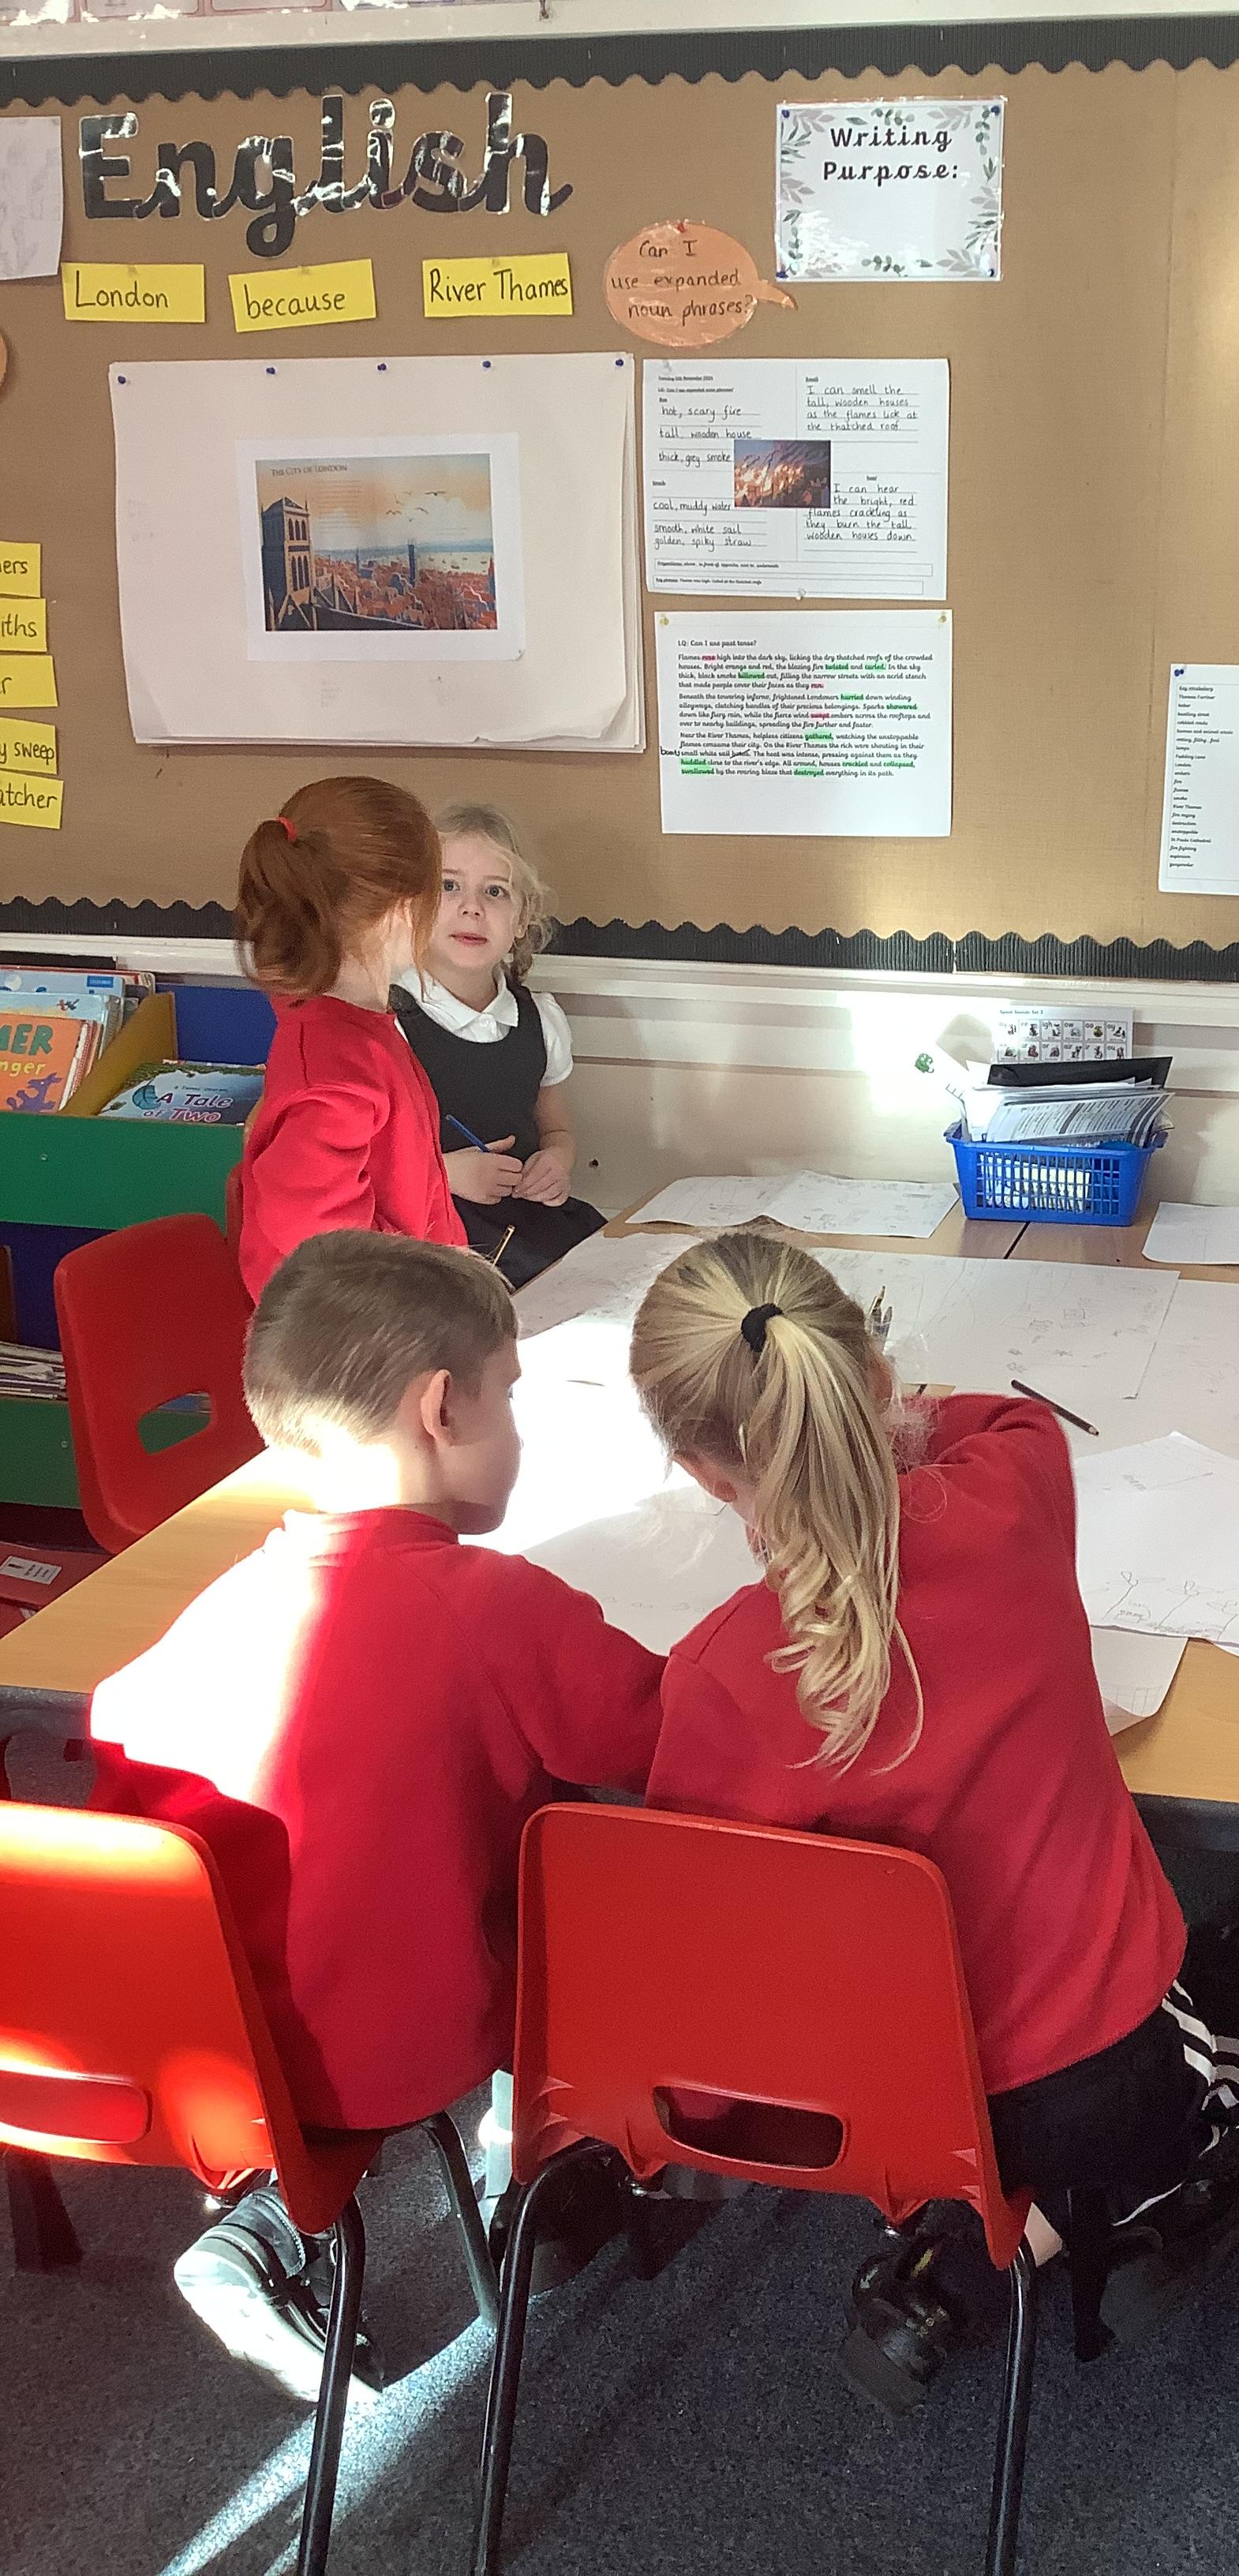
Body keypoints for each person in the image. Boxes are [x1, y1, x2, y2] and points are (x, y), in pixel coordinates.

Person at [628, 1230, 1239, 2409]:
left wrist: (710, 2122)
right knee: (1236, 2067)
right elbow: (1009, 1415)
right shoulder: (1015, 1488)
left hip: (888, 2105)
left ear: (705, 1476)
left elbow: (710, 1947)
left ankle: (981, 2243)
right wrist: (872, 1407)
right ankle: (1094, 2219)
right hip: (1094, 2068)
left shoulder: (719, 1674)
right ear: (875, 1381)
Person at [88, 1231, 665, 2401]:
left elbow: (116, 1849)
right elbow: (659, 1742)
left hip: (218, 2065)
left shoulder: (192, 1637)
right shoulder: (498, 1607)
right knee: (601, 1867)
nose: (518, 1425)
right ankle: (538, 2157)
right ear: (442, 1408)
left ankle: (270, 2223)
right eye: (510, 1395)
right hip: (409, 2040)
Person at [234, 777, 466, 1303]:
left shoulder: (356, 1029)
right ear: (403, 909)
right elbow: (331, 1257)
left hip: (400, 1317)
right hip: (356, 1339)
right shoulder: (336, 1068)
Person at [393, 803, 605, 1291]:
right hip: (434, 1243)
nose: (472, 907)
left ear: (522, 917)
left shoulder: (539, 1019)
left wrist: (556, 1162)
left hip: (527, 1226)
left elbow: (557, 1130)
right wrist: (444, 1174)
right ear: (413, 905)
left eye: (495, 891)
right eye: (449, 886)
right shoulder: (390, 1023)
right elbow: (364, 1164)